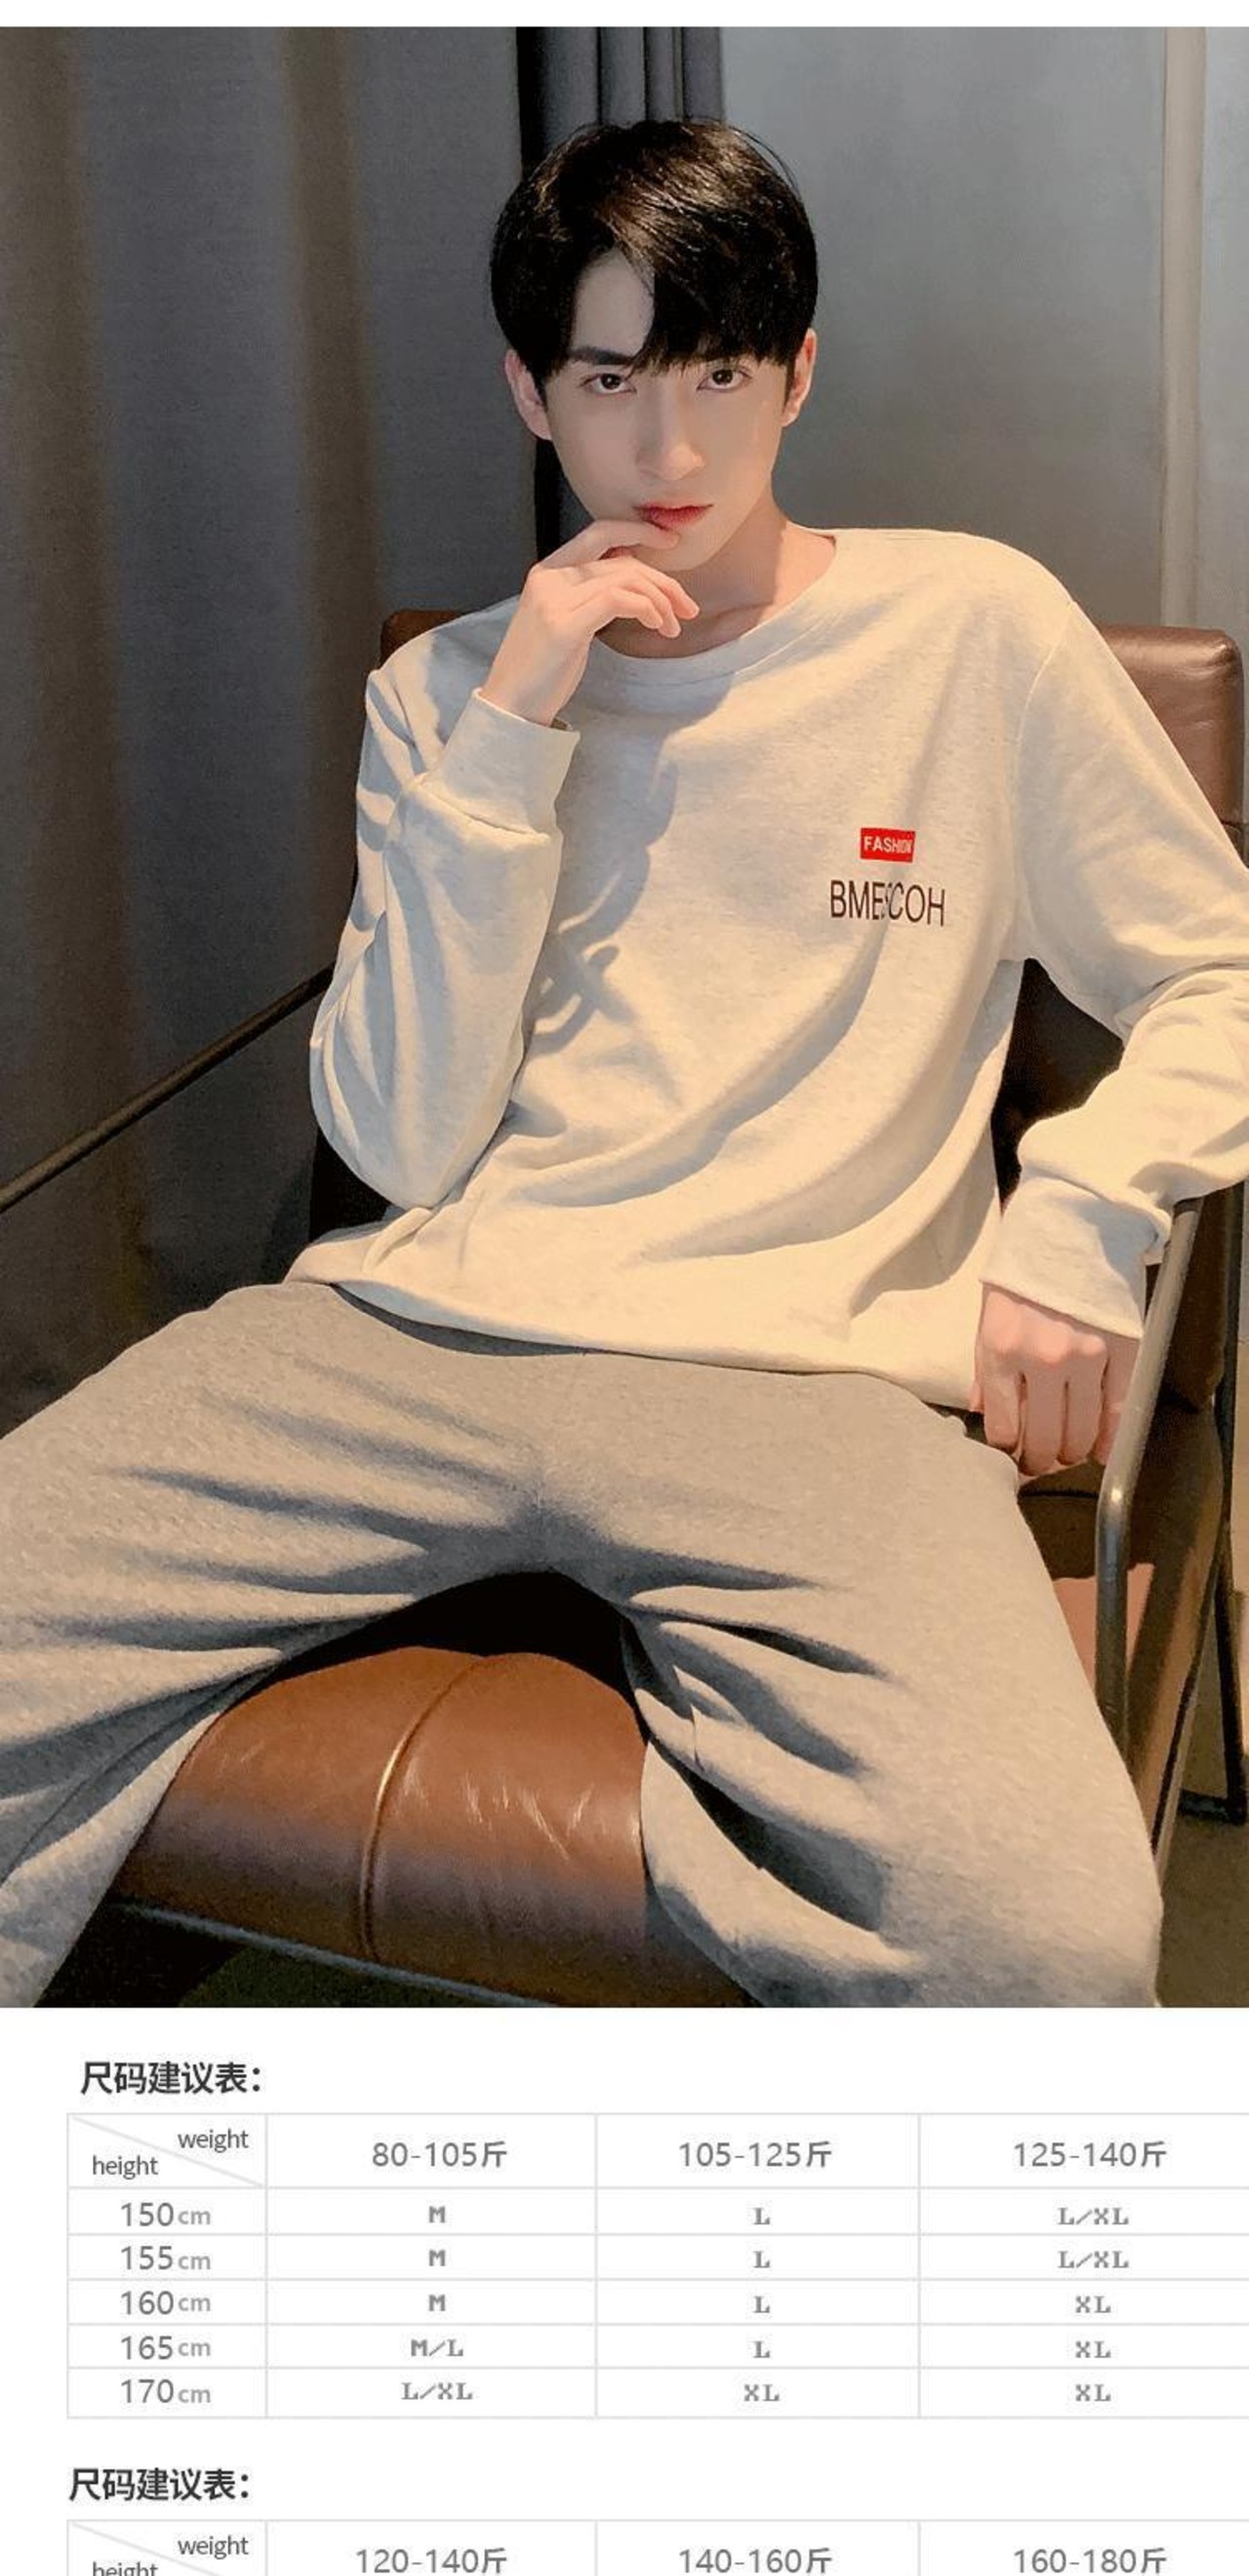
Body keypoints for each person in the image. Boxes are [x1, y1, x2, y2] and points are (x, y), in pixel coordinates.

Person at [3, 118, 1248, 2011]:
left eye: (717, 376)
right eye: (608, 383)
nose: (668, 451)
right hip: (410, 1342)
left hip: (812, 1382)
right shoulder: (445, 693)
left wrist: (1081, 1207)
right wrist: (514, 721)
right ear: (531, 392)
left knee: (1041, 1943)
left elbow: (1219, 964)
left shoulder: (972, 630)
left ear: (796, 375)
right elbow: (397, 1138)